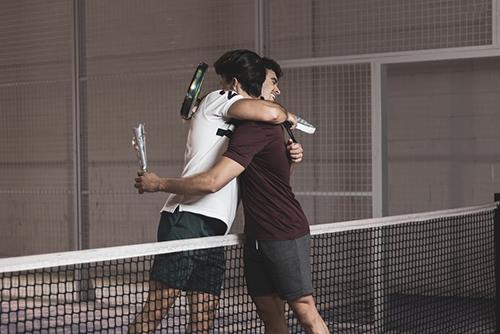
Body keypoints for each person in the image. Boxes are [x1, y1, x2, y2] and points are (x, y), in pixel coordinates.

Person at [135, 59, 329, 334]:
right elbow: (214, 179)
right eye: (273, 82)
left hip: (217, 228)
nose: (277, 91)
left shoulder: (247, 125)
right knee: (157, 309)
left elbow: (269, 175)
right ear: (239, 83)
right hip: (188, 221)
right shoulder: (221, 97)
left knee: (204, 316)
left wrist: (292, 157)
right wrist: (288, 115)